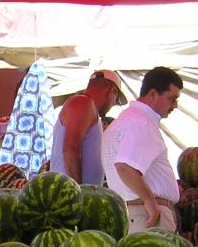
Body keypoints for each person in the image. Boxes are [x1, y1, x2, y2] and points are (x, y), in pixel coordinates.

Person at [101, 66, 184, 232]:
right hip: (145, 216)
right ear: (152, 94)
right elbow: (125, 166)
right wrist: (150, 202)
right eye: (172, 98)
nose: (175, 105)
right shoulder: (141, 123)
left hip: (133, 214)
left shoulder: (126, 120)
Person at [50, 69, 126, 185]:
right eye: (116, 101)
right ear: (112, 91)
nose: (113, 105)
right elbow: (71, 148)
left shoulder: (87, 106)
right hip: (68, 192)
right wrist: (78, 190)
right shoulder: (83, 103)